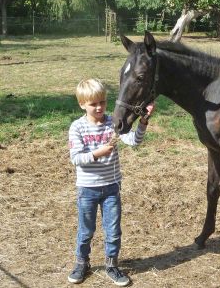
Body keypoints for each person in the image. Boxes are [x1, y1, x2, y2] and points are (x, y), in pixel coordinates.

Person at [67, 78, 154, 286]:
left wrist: (143, 122)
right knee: (86, 230)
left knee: (113, 230)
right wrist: (98, 153)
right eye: (93, 103)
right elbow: (76, 158)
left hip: (111, 188)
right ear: (82, 104)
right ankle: (82, 263)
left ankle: (112, 264)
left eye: (102, 102)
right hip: (87, 189)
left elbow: (134, 141)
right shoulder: (77, 127)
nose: (99, 107)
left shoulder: (112, 123)